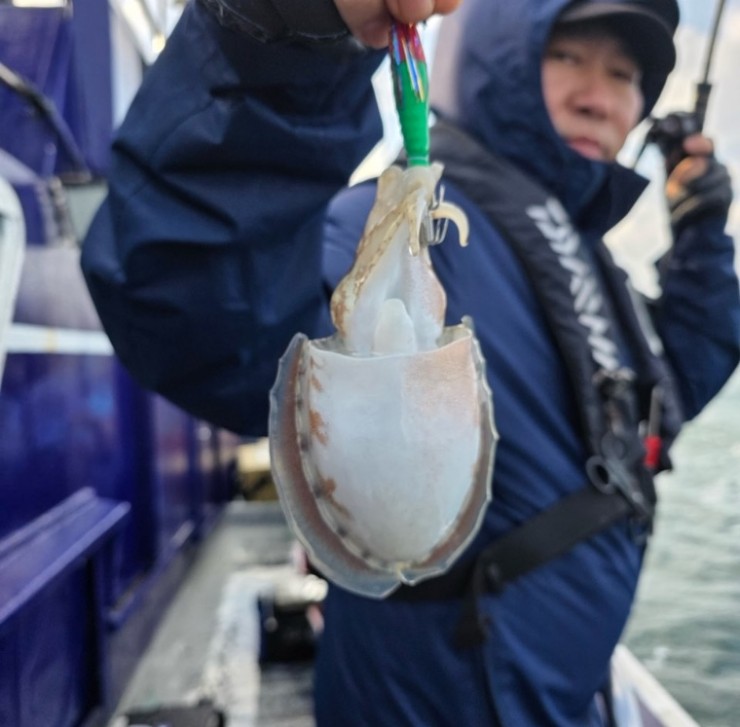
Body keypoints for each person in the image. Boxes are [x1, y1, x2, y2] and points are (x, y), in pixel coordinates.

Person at [81, 0, 740, 724]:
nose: (599, 96)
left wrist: (702, 236)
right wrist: (288, 39)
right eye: (568, 57)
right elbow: (205, 316)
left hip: (562, 700)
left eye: (624, 75)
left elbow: (666, 396)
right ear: (500, 59)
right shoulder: (402, 222)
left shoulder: (586, 260)